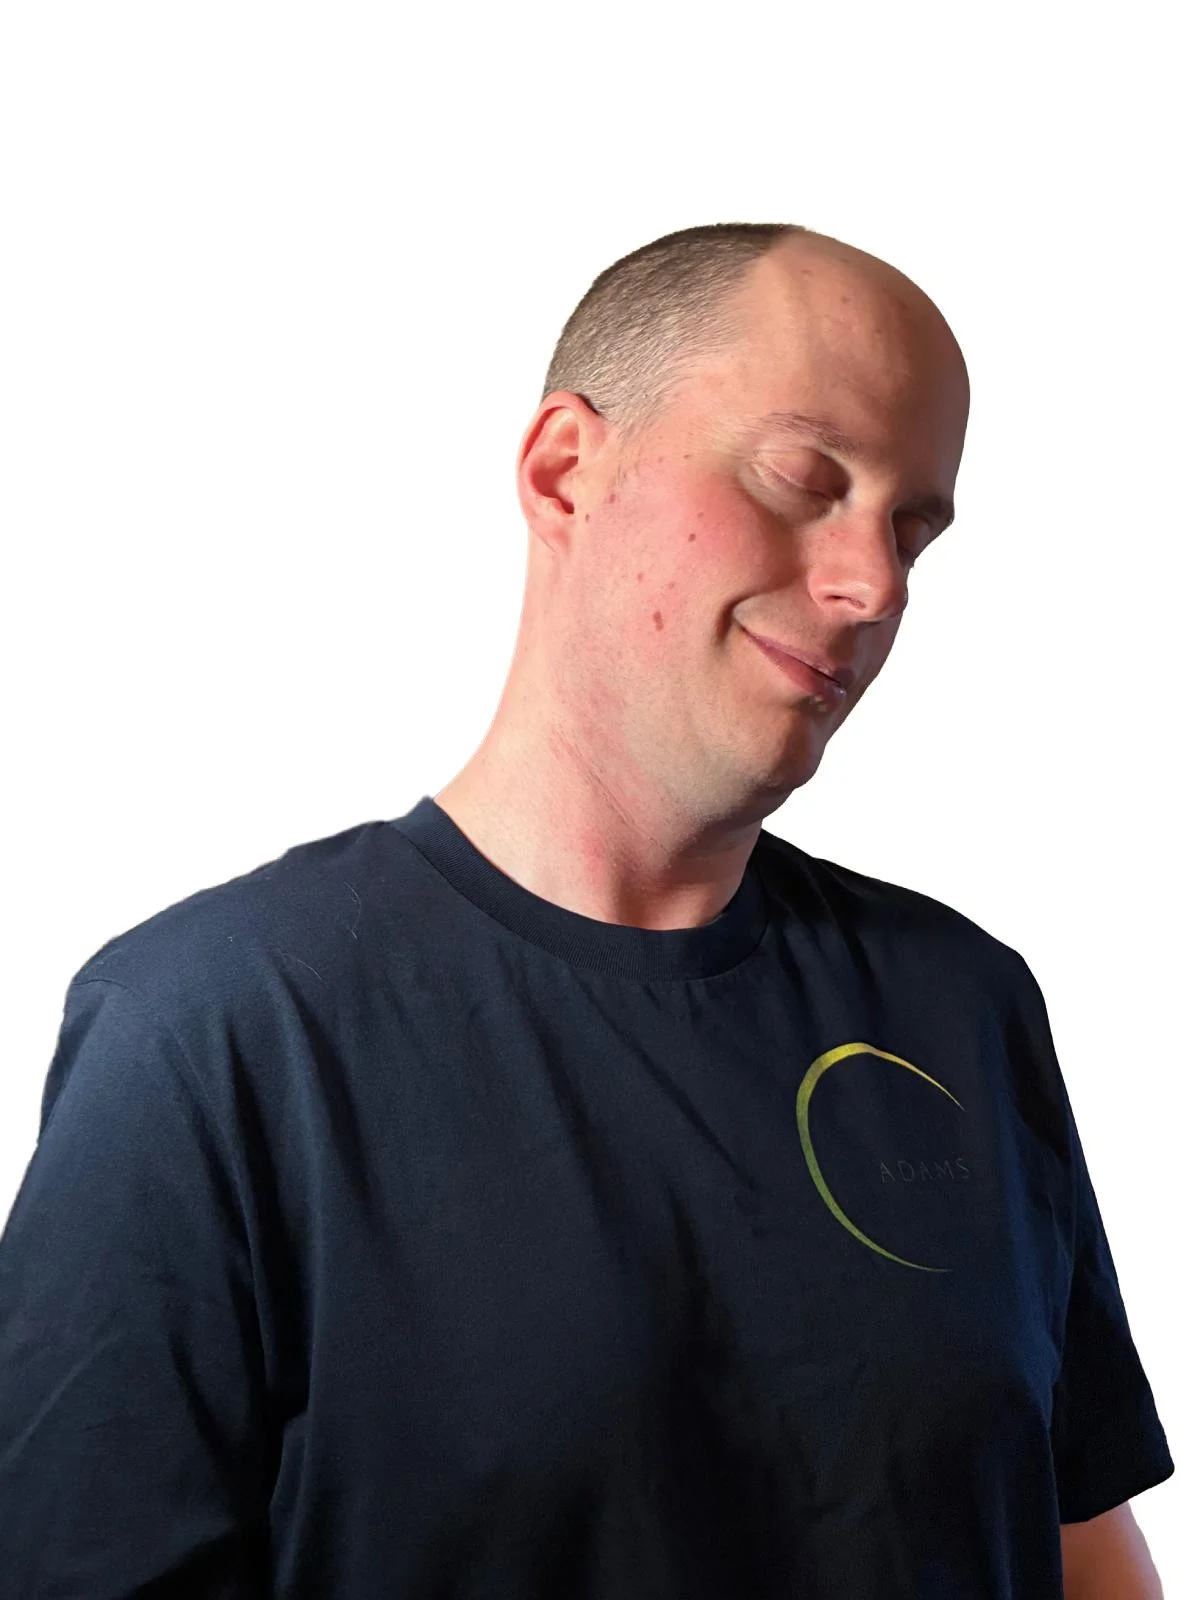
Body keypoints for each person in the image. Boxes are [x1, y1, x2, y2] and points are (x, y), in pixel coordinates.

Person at [0, 222, 1173, 1598]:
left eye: (913, 530)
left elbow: (1080, 1544)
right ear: (565, 470)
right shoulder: (216, 1036)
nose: (876, 584)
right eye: (808, 480)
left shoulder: (963, 1004)